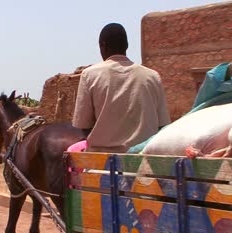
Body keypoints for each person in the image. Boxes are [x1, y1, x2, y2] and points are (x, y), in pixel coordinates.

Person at [72, 23, 171, 153]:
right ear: (127, 46)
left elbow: (83, 125)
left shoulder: (89, 75)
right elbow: (162, 125)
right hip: (144, 159)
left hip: (103, 162)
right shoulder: (152, 76)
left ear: (103, 46)